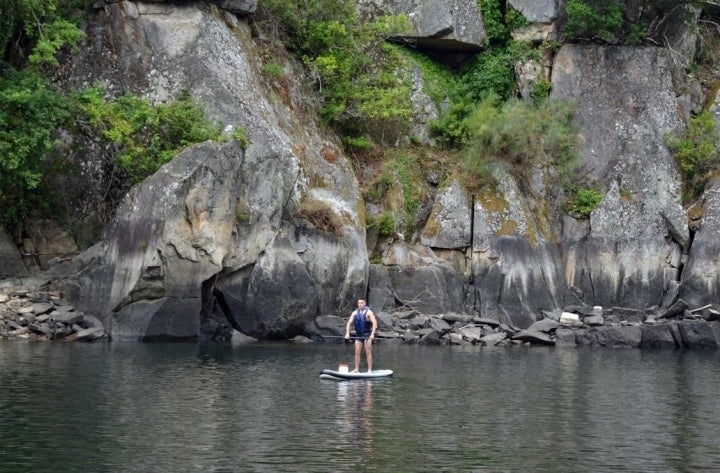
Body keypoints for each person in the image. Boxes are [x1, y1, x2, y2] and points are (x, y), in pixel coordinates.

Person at [344, 299, 378, 373]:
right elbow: (349, 323)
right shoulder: (355, 313)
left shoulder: (369, 312)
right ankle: (356, 369)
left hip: (367, 334)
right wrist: (347, 333)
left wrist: (372, 334)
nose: (360, 304)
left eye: (361, 303)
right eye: (358, 303)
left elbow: (374, 323)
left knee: (368, 352)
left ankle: (369, 370)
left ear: (365, 304)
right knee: (357, 352)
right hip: (359, 335)